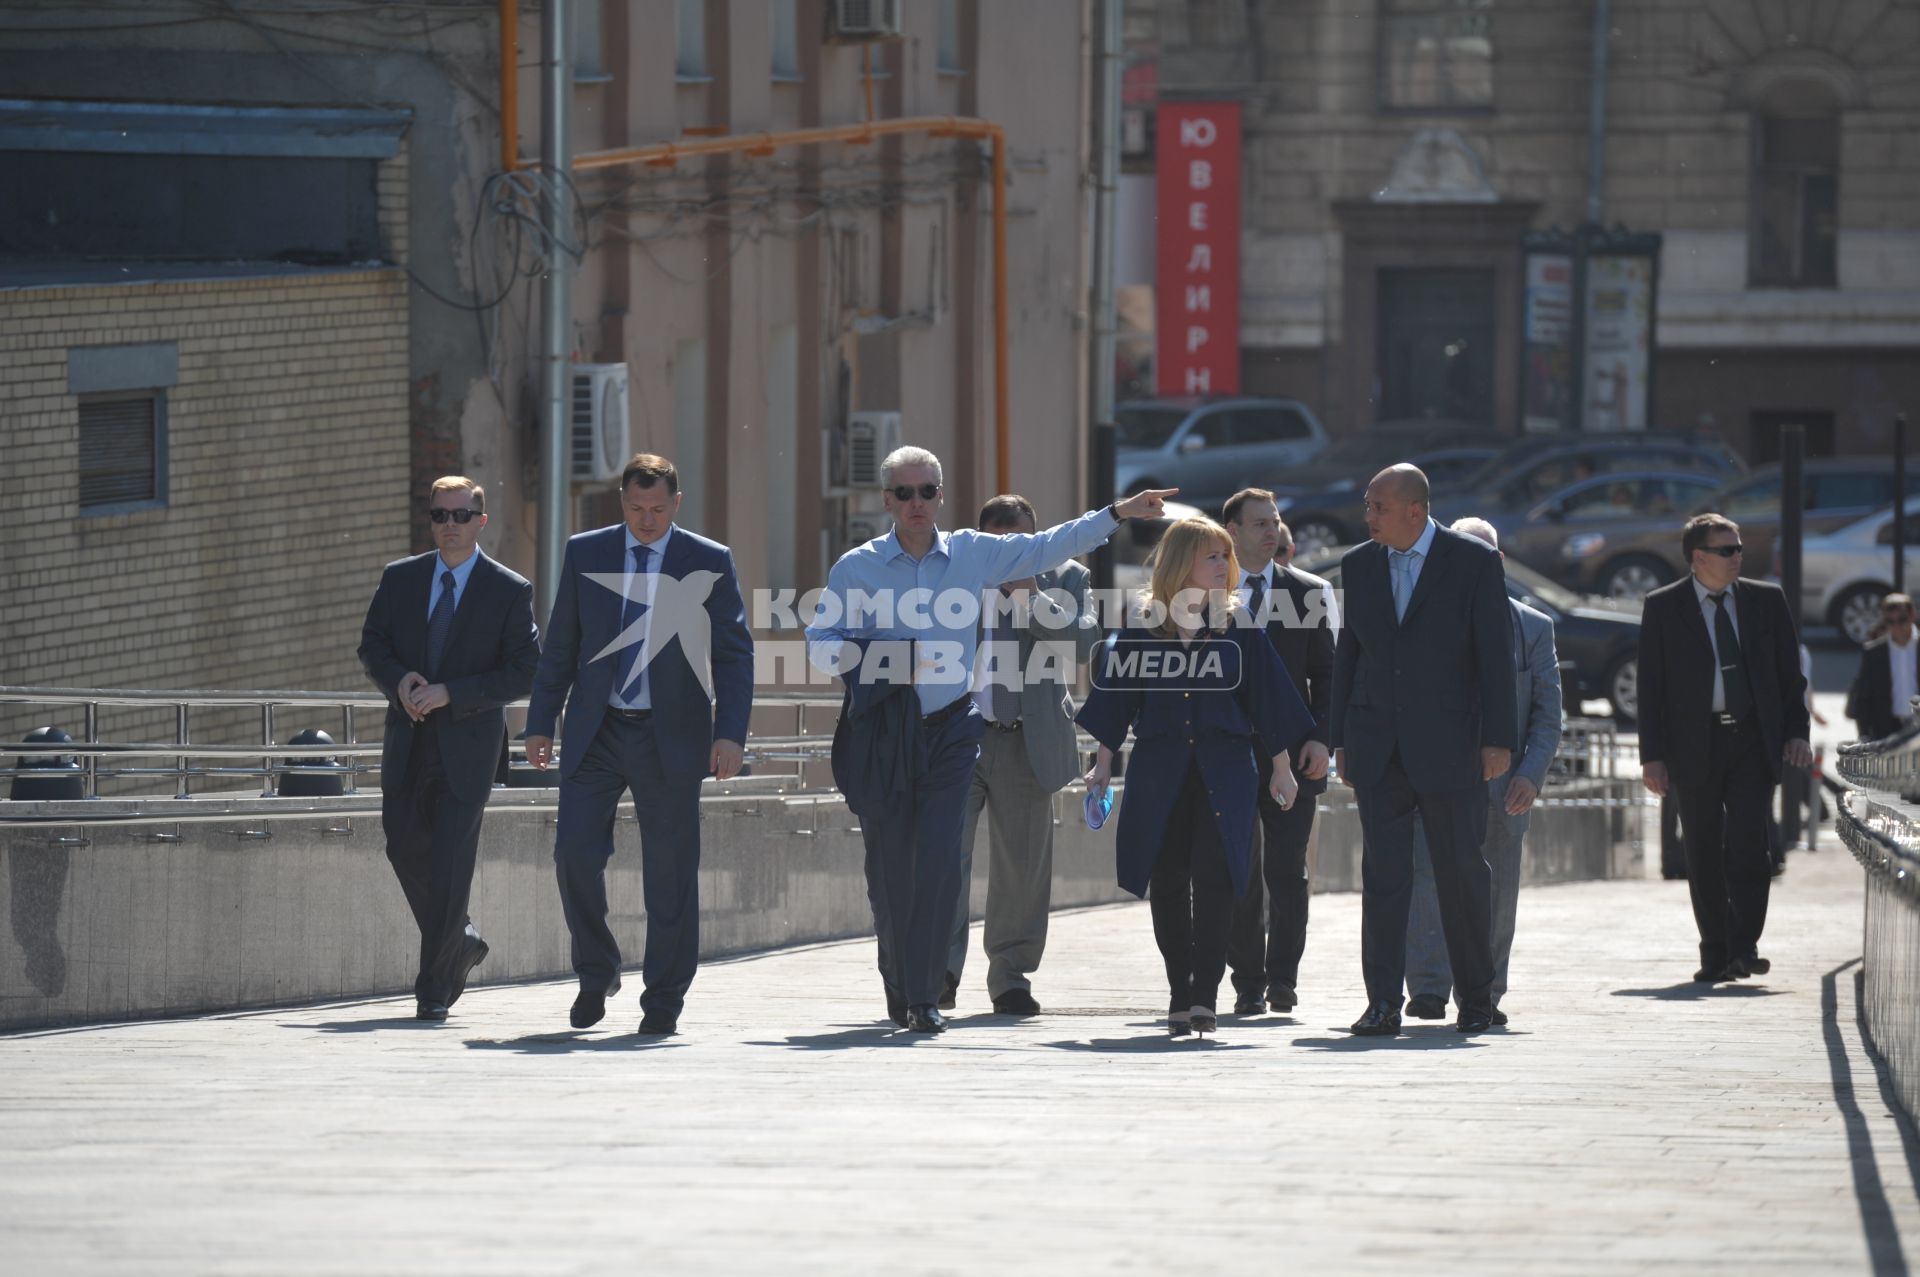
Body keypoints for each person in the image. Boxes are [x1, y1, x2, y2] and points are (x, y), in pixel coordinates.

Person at [808, 446, 1176, 1033]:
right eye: (903, 493)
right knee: (889, 871)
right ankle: (903, 984)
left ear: (941, 494)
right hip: (887, 734)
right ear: (886, 501)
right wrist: (875, 660)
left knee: (940, 865)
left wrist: (1118, 512)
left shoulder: (974, 554)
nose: (916, 503)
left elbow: (1051, 545)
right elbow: (820, 638)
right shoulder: (858, 566)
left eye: (926, 490)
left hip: (958, 730)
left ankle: (931, 993)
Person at [525, 454, 754, 1035]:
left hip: (670, 737)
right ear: (620, 502)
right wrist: (541, 720)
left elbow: (733, 653)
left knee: (670, 874)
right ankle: (597, 969)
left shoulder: (708, 560)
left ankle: (663, 1002)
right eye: (634, 508)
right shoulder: (587, 552)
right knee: (574, 856)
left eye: (656, 509)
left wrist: (729, 734)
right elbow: (561, 644)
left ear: (677, 504)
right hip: (595, 731)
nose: (645, 521)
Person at [1078, 517, 1313, 1038]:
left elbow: (1268, 700)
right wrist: (1101, 764)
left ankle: (1205, 995)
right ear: (1182, 561)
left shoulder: (1240, 623)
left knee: (1217, 881)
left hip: (1226, 770)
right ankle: (1178, 993)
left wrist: (1281, 768)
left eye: (1224, 557)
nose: (1223, 566)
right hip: (1159, 771)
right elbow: (1116, 699)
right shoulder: (1142, 625)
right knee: (1166, 882)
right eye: (1212, 556)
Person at [1331, 464, 1516, 1037]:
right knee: (1384, 880)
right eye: (1367, 506)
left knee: (1462, 873)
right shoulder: (1359, 564)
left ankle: (1477, 1000)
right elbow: (1349, 655)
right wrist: (1336, 736)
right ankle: (1382, 1002)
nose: (1368, 517)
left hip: (1452, 746)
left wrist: (1499, 740)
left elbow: (1494, 657)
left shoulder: (1473, 562)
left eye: (1377, 507)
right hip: (1377, 748)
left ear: (1415, 510)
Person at [357, 476, 539, 1021]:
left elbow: (525, 670)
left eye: (461, 516)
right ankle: (458, 938)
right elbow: (373, 645)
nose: (449, 526)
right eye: (440, 516)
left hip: (468, 746)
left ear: (481, 521)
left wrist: (452, 693)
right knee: (402, 846)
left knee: (452, 863)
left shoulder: (509, 590)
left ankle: (433, 989)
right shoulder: (401, 578)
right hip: (408, 740)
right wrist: (401, 682)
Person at [941, 495, 1102, 1017]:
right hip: (957, 737)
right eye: (1001, 541)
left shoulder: (1068, 577)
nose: (1013, 551)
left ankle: (1010, 977)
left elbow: (1083, 645)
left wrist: (1031, 597)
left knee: (1022, 869)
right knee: (942, 859)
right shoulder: (954, 572)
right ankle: (936, 971)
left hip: (1027, 739)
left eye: (1023, 542)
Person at [1403, 516, 1562, 1028]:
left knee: (1495, 892)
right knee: (1426, 880)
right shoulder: (1422, 618)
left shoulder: (1532, 627)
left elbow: (1546, 714)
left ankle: (1487, 993)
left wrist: (1530, 775)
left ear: (1495, 562)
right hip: (1437, 780)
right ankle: (1428, 989)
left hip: (1504, 787)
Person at [1638, 513, 1811, 983]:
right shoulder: (1663, 606)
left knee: (1751, 849)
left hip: (1752, 740)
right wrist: (1651, 756)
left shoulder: (1766, 601)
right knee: (1702, 849)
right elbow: (1650, 688)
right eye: (1727, 550)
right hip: (1694, 744)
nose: (1738, 556)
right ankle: (1715, 952)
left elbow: (1789, 678)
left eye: (1738, 549)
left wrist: (1797, 731)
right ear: (1699, 558)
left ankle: (1744, 945)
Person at [1219, 490, 1335, 1017]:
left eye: (1276, 522)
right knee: (1237, 871)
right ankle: (1247, 982)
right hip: (1228, 754)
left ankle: (1283, 979)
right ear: (1233, 531)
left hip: (1295, 753)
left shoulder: (1309, 592)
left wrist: (1322, 739)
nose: (1271, 531)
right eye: (1259, 523)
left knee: (1288, 871)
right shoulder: (1207, 594)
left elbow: (1329, 677)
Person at [1846, 593, 1918, 741]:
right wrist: (1864, 733)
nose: (1897, 626)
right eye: (1890, 621)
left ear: (1913, 616)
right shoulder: (1874, 652)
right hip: (1887, 729)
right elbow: (1864, 696)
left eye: (1902, 620)